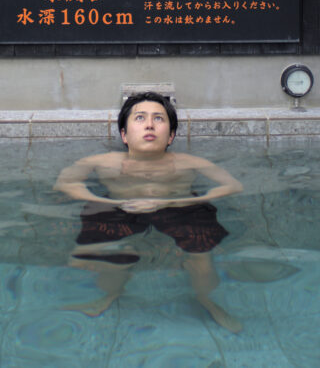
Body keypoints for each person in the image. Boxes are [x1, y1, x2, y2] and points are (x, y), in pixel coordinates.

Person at [53, 91, 243, 332]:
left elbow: (232, 186)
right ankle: (110, 294)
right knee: (103, 257)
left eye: (159, 118)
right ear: (124, 134)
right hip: (121, 207)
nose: (150, 125)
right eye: (140, 118)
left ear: (171, 135)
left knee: (202, 260)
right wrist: (112, 203)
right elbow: (65, 183)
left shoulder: (189, 162)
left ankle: (206, 299)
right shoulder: (103, 161)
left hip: (179, 208)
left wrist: (170, 201)